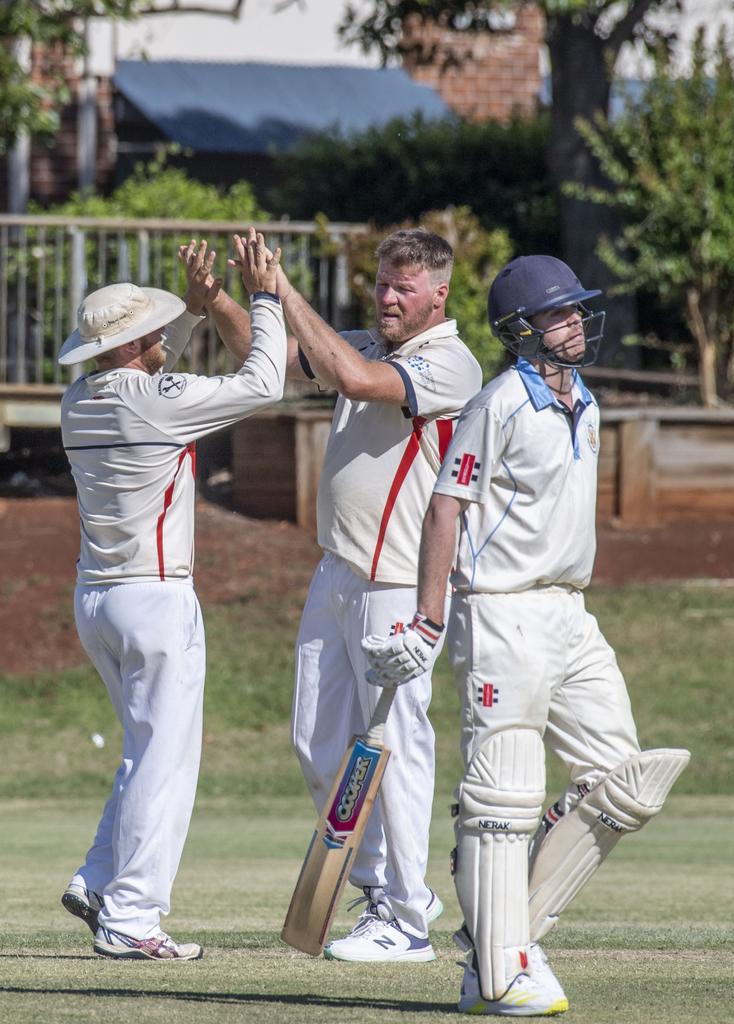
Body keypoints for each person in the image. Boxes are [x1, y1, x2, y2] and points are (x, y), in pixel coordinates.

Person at [363, 254, 691, 1013]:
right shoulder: (499, 402)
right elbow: (445, 505)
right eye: (560, 314)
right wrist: (429, 616)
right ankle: (500, 971)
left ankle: (498, 937)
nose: (576, 323)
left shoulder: (589, 403)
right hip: (501, 610)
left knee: (624, 782)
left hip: (570, 612)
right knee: (506, 792)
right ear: (521, 330)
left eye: (578, 311)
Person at [195, 227, 483, 961]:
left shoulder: (451, 361)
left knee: (398, 746)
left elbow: (354, 380)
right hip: (337, 572)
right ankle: (391, 892)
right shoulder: (364, 342)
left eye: (404, 287)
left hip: (400, 582)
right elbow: (274, 359)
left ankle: (403, 920)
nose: (388, 296)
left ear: (439, 294)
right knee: (318, 743)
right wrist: (224, 301)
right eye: (383, 283)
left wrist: (281, 290)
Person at [59, 234, 286, 961]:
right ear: (133, 344)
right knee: (167, 759)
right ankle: (131, 916)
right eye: (149, 330)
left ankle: (99, 879)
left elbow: (150, 371)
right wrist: (265, 300)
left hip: (95, 601)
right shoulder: (156, 403)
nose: (161, 336)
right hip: (155, 601)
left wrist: (186, 313)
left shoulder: (76, 399)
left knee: (143, 749)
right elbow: (264, 384)